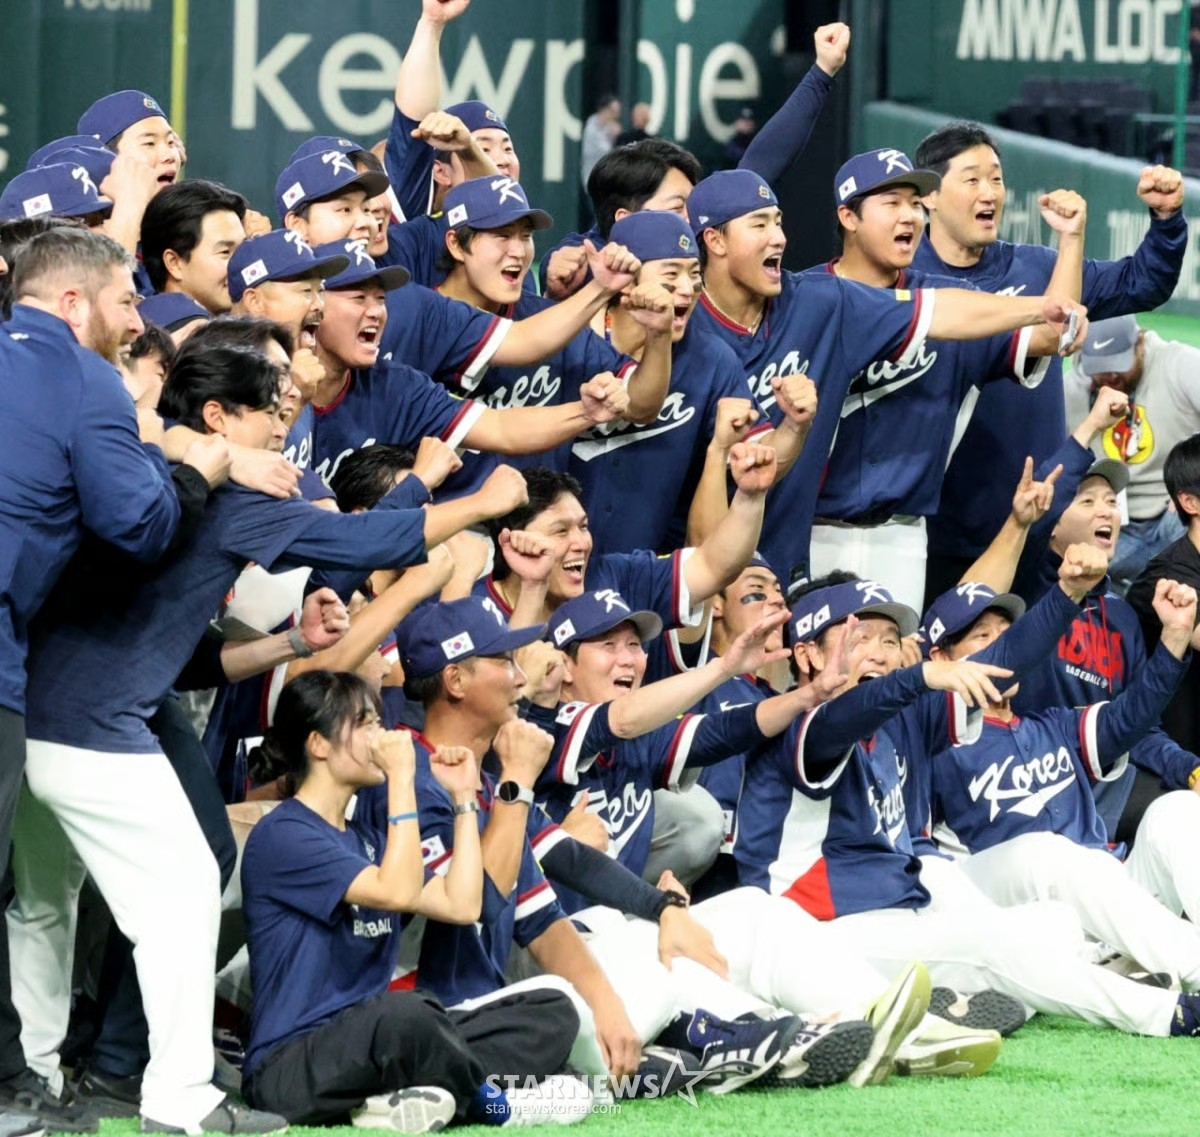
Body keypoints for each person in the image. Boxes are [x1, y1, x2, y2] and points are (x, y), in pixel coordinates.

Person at [737, 567, 1200, 1040]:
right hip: (816, 933)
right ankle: (1171, 1013)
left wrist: (1069, 593)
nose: (878, 651)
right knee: (997, 944)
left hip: (903, 915)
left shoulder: (907, 719)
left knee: (1056, 925)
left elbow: (1004, 662)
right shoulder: (800, 723)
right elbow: (845, 718)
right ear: (809, 653)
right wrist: (922, 675)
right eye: (858, 638)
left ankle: (954, 1002)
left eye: (890, 639)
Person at [0, 227, 194, 1134]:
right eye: (124, 301)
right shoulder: (87, 382)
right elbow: (142, 525)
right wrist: (165, 451)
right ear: (72, 303)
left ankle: (15, 1080)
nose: (134, 321)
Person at [686, 167, 1086, 588]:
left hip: (824, 543)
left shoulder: (821, 302)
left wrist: (1042, 306)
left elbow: (944, 309)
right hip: (714, 546)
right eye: (760, 224)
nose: (779, 237)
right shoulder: (685, 327)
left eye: (779, 222)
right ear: (714, 241)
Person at [240, 670, 585, 1129]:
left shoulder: (363, 838)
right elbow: (397, 893)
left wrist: (463, 798)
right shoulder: (284, 834)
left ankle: (403, 1098)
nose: (382, 736)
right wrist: (402, 778)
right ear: (318, 745)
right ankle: (496, 1107)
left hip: (376, 1045)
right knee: (409, 1015)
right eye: (364, 723)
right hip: (290, 1067)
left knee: (549, 1011)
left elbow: (463, 905)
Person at [911, 121, 1187, 604]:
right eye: (972, 179)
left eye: (996, 178)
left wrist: (1165, 223)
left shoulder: (1039, 269)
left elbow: (1141, 284)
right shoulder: (904, 281)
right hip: (934, 529)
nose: (990, 192)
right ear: (929, 196)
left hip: (1039, 524)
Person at [802, 148, 1085, 609]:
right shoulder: (804, 299)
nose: (909, 216)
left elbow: (1051, 337)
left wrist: (1071, 241)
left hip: (903, 536)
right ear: (848, 217)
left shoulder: (955, 305)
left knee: (895, 671)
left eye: (915, 203)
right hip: (805, 528)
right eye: (891, 202)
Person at [921, 578, 1200, 987]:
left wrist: (1175, 638)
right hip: (1012, 909)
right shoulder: (928, 743)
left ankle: (1120, 962)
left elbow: (1130, 718)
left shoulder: (1053, 725)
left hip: (1107, 901)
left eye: (1009, 636)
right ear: (941, 658)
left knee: (1178, 810)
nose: (1005, 651)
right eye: (983, 637)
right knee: (1048, 853)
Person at [1064, 314, 1200, 588]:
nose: (1110, 375)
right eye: (1100, 368)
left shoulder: (1180, 364)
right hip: (1117, 526)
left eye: (1118, 364)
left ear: (1140, 343)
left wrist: (1190, 484)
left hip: (1177, 514)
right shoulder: (1070, 390)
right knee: (1077, 574)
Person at [140, 180, 249, 314]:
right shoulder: (146, 332)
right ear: (174, 262)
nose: (242, 264)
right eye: (225, 252)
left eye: (243, 249)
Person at [580, 95, 621, 187]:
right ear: (605, 110)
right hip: (592, 177)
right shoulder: (591, 128)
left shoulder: (608, 128)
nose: (615, 116)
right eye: (613, 112)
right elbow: (602, 152)